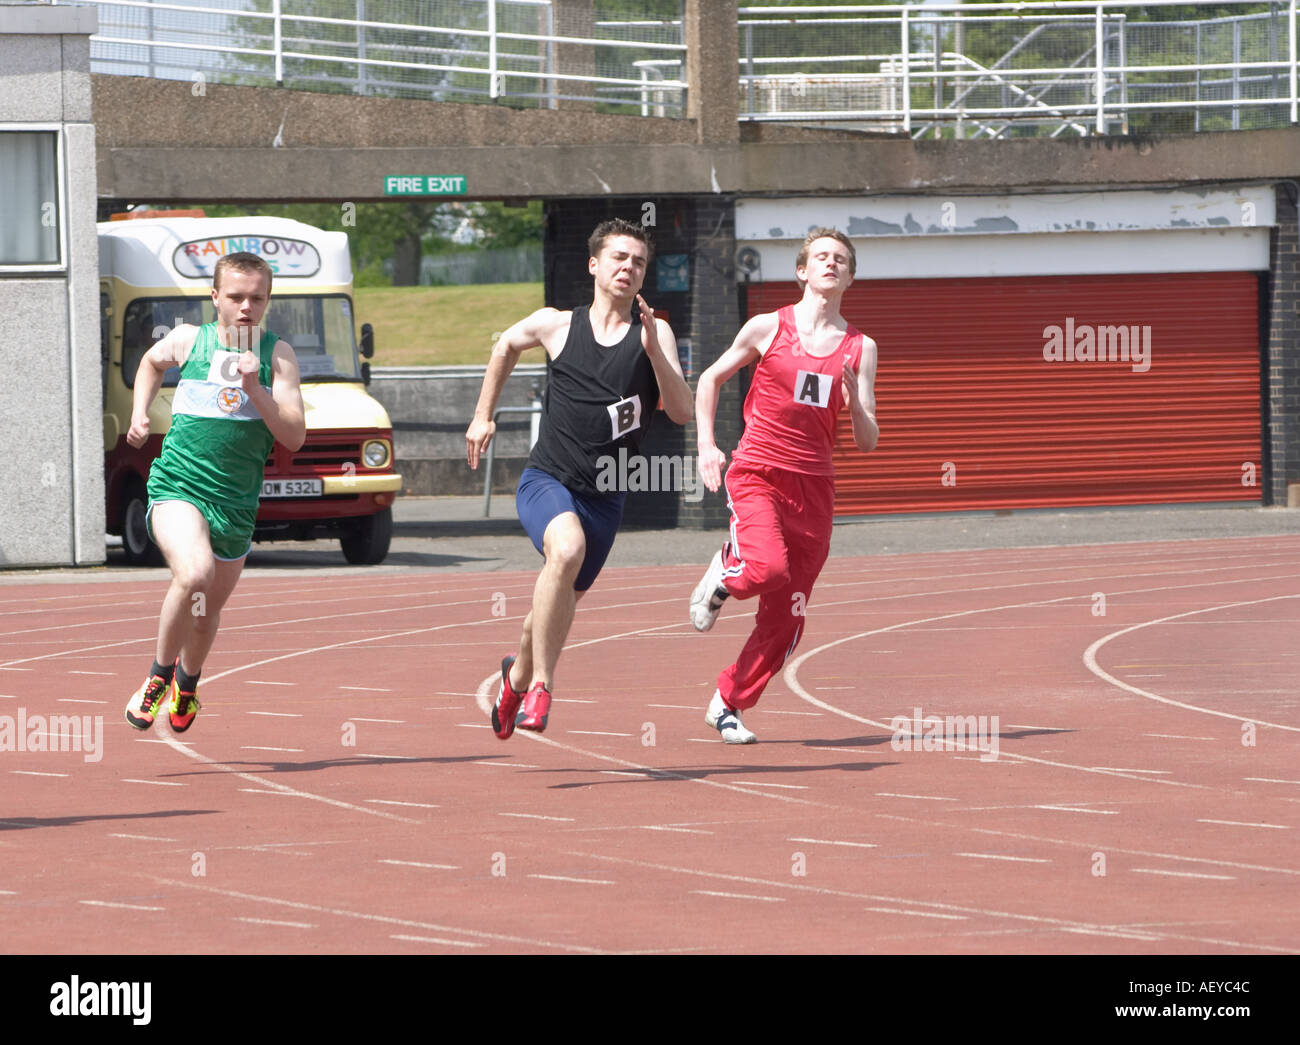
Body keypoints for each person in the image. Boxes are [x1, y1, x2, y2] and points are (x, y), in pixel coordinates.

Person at [466, 219, 692, 739]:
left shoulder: (654, 334)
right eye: (618, 257)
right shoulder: (556, 325)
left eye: (637, 262)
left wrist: (656, 354)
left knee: (547, 608)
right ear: (594, 264)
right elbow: (504, 346)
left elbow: (679, 412)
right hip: (548, 478)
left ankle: (515, 678)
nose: (628, 268)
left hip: (607, 495)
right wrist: (483, 416)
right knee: (564, 551)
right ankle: (542, 687)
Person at [689, 228, 878, 743]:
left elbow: (867, 440)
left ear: (851, 276)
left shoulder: (861, 348)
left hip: (814, 488)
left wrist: (856, 404)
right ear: (802, 271)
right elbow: (708, 380)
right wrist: (707, 446)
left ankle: (728, 703)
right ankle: (726, 573)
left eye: (841, 259)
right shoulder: (768, 327)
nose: (831, 264)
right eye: (821, 256)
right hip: (759, 471)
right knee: (766, 566)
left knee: (789, 614)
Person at [124, 252, 305, 733]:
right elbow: (149, 362)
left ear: (268, 299)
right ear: (215, 298)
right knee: (194, 573)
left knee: (205, 614)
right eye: (236, 297)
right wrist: (140, 412)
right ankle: (157, 677)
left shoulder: (278, 355)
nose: (247, 307)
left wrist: (255, 389)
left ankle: (188, 683)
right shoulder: (188, 340)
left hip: (236, 505)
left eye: (257, 298)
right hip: (178, 487)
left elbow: (293, 436)